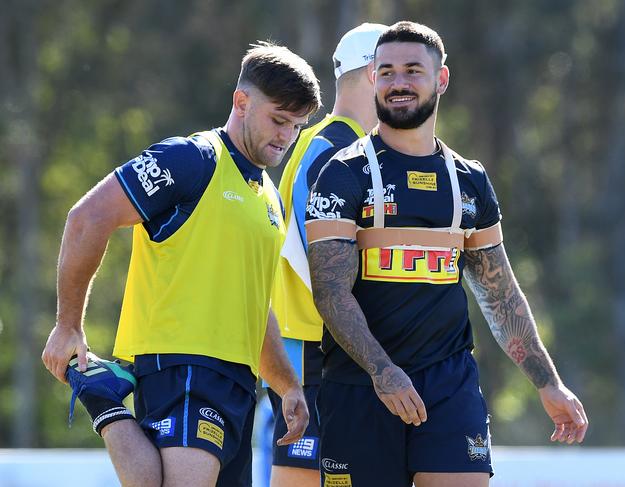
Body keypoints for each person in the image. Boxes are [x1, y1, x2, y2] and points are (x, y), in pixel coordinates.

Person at [305, 21, 588, 487]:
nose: (399, 82)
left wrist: (547, 381)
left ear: (441, 79)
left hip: (448, 387)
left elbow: (500, 295)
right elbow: (330, 293)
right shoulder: (343, 173)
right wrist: (384, 372)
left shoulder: (469, 180)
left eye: (413, 70)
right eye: (388, 71)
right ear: (373, 78)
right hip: (360, 387)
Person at [41, 42, 321, 487]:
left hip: (238, 385)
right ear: (242, 102)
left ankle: (104, 399)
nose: (286, 135)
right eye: (279, 120)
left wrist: (287, 386)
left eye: (297, 125)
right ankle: (104, 402)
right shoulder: (192, 159)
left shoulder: (268, 196)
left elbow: (254, 304)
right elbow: (87, 217)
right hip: (183, 365)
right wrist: (68, 325)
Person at [268, 23, 387, 487]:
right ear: (374, 74)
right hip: (319, 353)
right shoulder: (335, 149)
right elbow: (320, 264)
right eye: (396, 74)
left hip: (325, 350)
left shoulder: (327, 144)